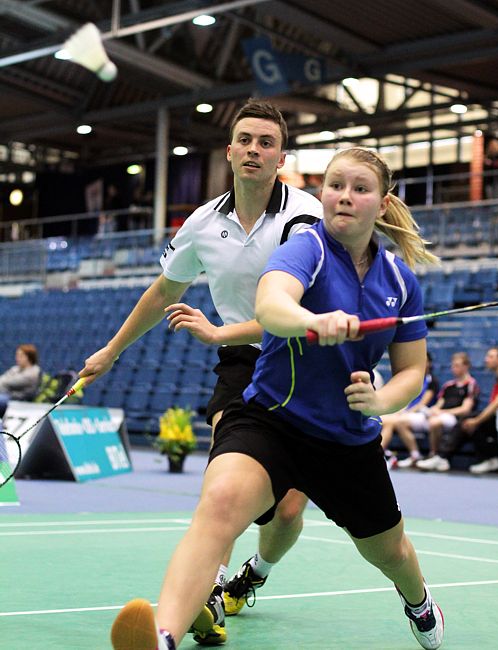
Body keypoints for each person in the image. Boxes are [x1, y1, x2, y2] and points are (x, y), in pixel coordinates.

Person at [109, 147, 444, 650]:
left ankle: (418, 601)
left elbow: (412, 369)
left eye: (360, 188)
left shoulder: (399, 280)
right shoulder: (304, 247)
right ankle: (164, 637)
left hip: (346, 441)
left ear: (382, 202)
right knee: (219, 505)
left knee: (389, 551)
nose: (344, 197)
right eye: (335, 185)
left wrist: (381, 403)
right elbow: (271, 305)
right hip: (272, 421)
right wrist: (312, 321)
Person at [79, 99, 323, 644]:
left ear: (281, 156)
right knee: (224, 479)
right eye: (245, 140)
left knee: (287, 510)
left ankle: (251, 575)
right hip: (242, 360)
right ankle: (205, 593)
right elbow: (165, 289)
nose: (254, 150)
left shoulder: (308, 213)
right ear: (230, 151)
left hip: (304, 361)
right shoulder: (203, 222)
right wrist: (113, 350)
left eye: (266, 142)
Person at [414, 352, 479, 472]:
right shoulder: (448, 385)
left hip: (456, 419)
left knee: (434, 422)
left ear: (466, 366)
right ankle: (426, 456)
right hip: (442, 415)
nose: (454, 368)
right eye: (453, 365)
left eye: (457, 365)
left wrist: (443, 412)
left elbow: (465, 409)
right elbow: (438, 404)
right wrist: (434, 410)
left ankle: (435, 455)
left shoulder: (471, 384)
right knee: (429, 418)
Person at [381, 352, 439, 469]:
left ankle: (414, 455)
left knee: (398, 421)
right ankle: (382, 453)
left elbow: (422, 403)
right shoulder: (414, 381)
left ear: (429, 363)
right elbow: (405, 400)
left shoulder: (432, 381)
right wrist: (398, 411)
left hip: (422, 414)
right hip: (407, 413)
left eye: (425, 361)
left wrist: (405, 413)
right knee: (382, 420)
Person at [456, 346, 498, 474]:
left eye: (490, 357)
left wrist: (476, 420)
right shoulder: (497, 378)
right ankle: (491, 459)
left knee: (474, 422)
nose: (486, 360)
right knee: (469, 422)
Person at [0, 344, 41, 418]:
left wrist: (4, 382)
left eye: (21, 356)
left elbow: (8, 383)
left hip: (18, 398)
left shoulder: (33, 372)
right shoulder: (15, 369)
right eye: (17, 355)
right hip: (5, 395)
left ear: (29, 357)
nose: (17, 358)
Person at [483, 135, 498, 199]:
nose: (493, 147)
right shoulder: (489, 154)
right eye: (491, 145)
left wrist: (492, 163)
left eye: (494, 145)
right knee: (490, 195)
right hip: (490, 179)